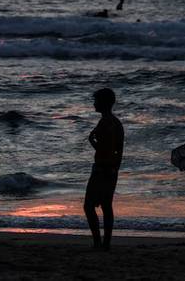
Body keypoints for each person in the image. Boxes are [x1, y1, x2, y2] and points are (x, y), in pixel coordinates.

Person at [84, 88, 124, 250]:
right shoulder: (116, 123)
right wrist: (116, 168)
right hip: (112, 169)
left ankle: (97, 242)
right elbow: (118, 150)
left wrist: (91, 139)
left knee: (88, 206)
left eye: (96, 101)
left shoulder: (105, 122)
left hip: (101, 168)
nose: (94, 104)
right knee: (107, 206)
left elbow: (103, 149)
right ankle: (106, 243)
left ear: (103, 103)